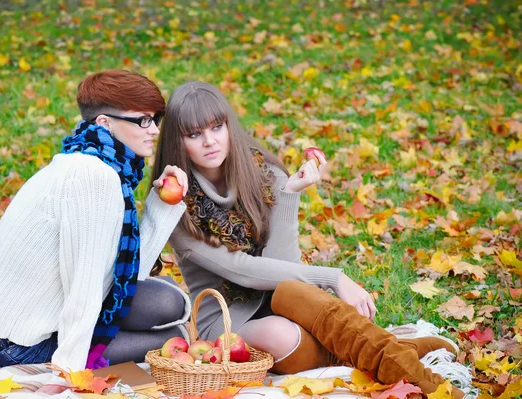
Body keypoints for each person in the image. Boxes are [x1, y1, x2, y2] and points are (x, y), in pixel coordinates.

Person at [151, 81, 465, 398]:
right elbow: (243, 269)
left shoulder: (262, 172)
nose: (210, 141)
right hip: (229, 316)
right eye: (194, 134)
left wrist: (289, 195)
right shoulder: (177, 204)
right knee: (280, 333)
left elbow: (283, 269)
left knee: (291, 290)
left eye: (217, 127)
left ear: (228, 125)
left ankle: (421, 379)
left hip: (280, 294)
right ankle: (394, 350)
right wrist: (333, 277)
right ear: (178, 142)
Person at [0, 70, 191, 372]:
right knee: (173, 318)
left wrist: (161, 204)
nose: (152, 130)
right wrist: (70, 372)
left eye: (154, 119)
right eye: (142, 120)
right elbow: (84, 284)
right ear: (104, 123)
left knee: (165, 293)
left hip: (6, 328)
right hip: (17, 346)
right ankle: (171, 336)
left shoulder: (88, 161)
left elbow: (124, 273)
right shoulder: (93, 178)